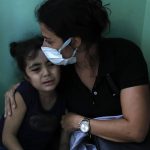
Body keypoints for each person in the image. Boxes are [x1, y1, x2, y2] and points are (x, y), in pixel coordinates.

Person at [4, 0, 150, 149]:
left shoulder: (124, 54)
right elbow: (38, 82)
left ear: (74, 42)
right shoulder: (61, 67)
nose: (45, 48)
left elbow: (136, 131)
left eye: (49, 41)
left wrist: (79, 122)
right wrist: (17, 90)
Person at [0, 36, 67, 150]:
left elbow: (64, 144)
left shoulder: (64, 99)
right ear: (26, 76)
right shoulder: (24, 94)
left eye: (51, 64)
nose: (46, 73)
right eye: (36, 69)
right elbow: (7, 137)